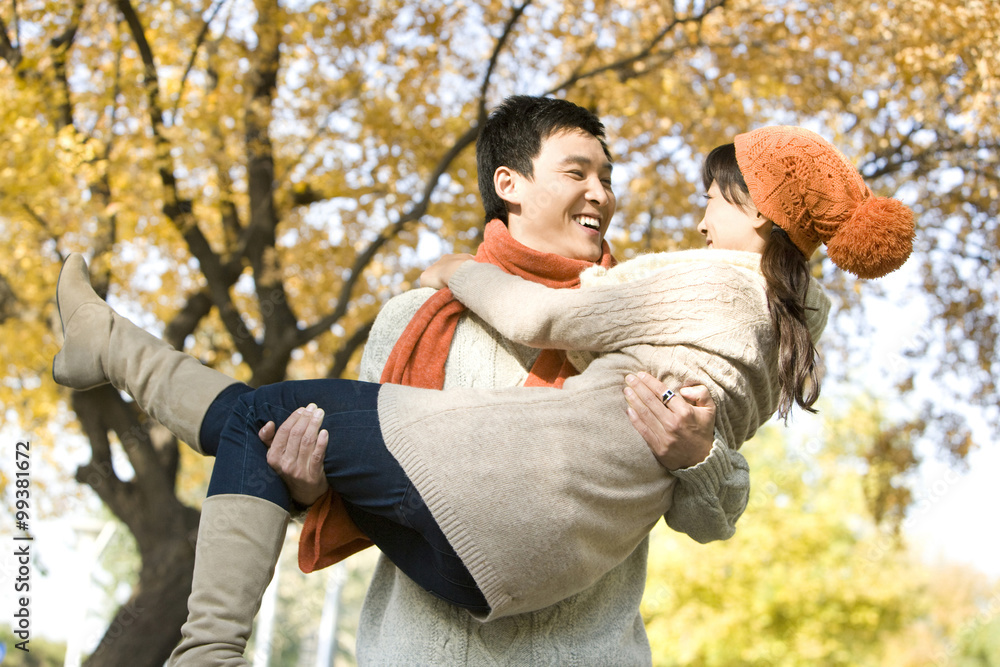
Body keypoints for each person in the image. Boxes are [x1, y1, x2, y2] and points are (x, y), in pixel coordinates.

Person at [53, 118, 914, 662]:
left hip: (572, 643)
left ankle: (202, 642)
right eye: (579, 171)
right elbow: (338, 478)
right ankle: (105, 348)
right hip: (430, 628)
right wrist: (301, 483)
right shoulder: (407, 319)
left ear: (755, 212)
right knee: (259, 422)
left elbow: (716, 509)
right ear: (512, 183)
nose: (604, 194)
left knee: (247, 409)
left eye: (607, 178)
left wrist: (699, 457)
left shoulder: (653, 302)